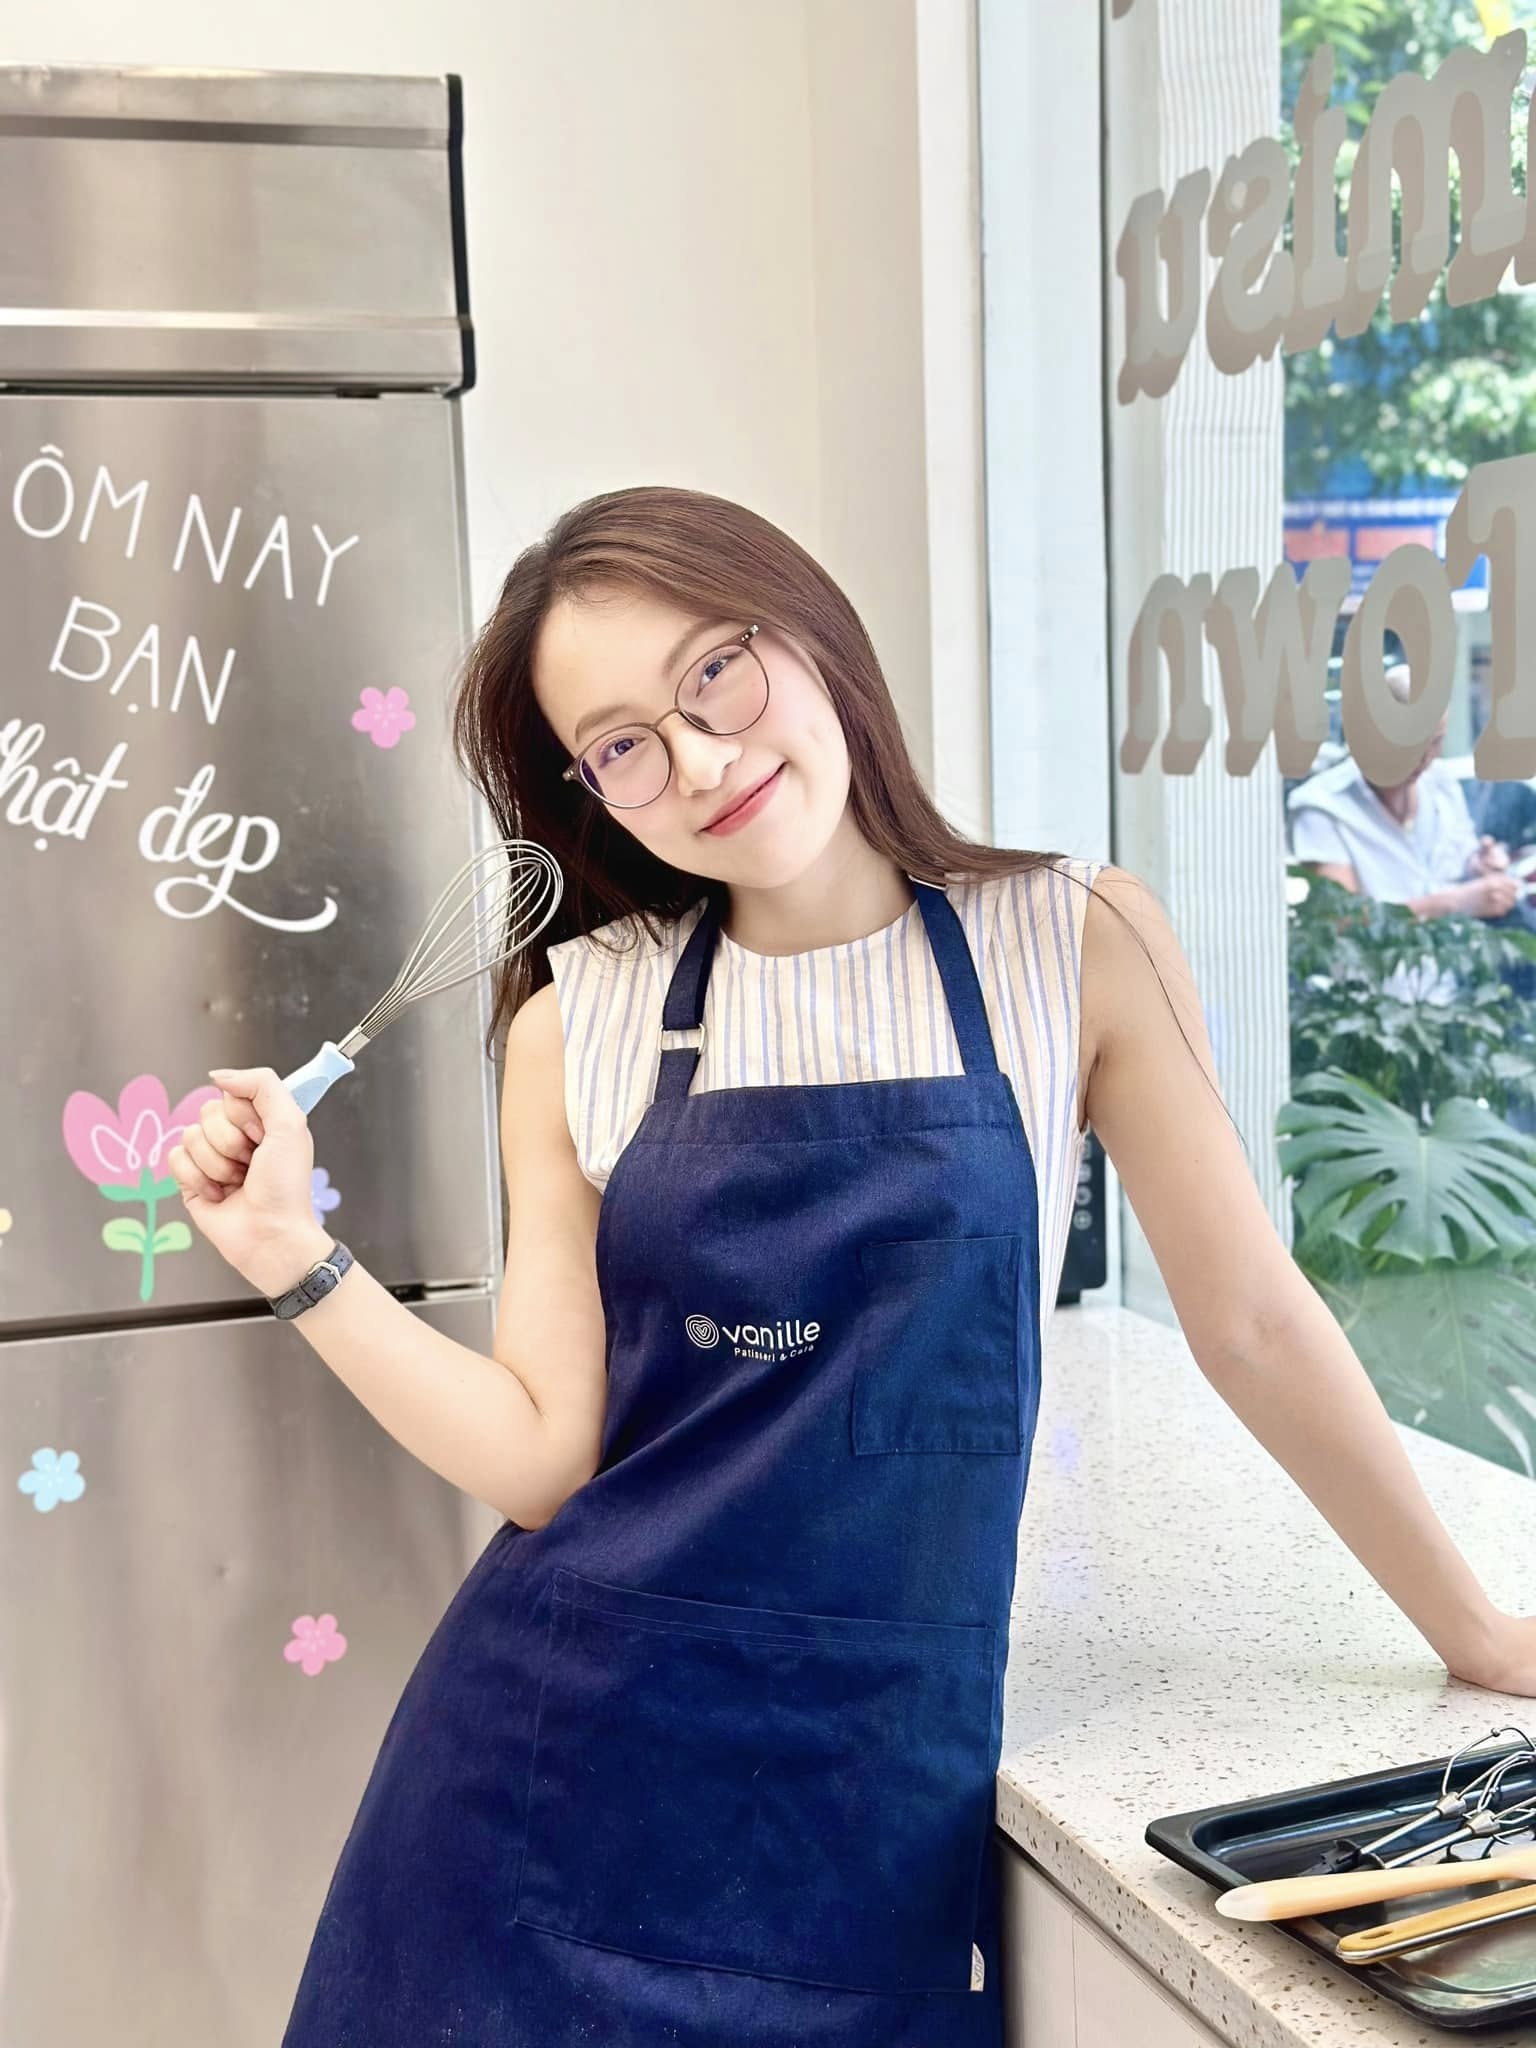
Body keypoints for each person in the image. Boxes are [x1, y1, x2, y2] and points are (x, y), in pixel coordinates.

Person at [167, 488, 1536, 2048]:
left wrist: (1478, 1632)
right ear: (590, 795)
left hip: (865, 1795)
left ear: (812, 633)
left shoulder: (1071, 941)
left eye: (716, 672)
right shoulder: (577, 1019)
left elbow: (1251, 1323)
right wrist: (296, 1257)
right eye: (623, 745)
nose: (699, 759)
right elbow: (545, 1461)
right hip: (546, 1786)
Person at [1287, 664, 1522, 923]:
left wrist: (1479, 865)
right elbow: (1340, 923)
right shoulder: (1321, 808)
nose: (1424, 758)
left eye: (1435, 742)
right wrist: (1454, 903)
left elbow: (1455, 863)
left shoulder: (1441, 782)